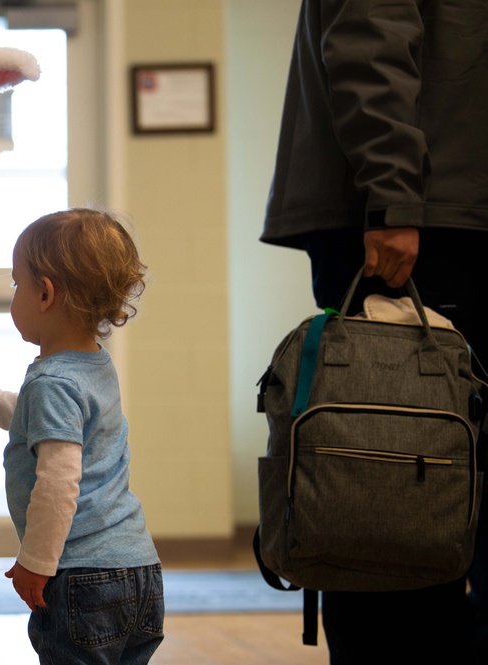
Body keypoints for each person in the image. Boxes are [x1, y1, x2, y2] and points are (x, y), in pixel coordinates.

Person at [260, 1, 488, 662]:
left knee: (430, 482)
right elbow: (371, 29)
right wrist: (392, 195)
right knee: (389, 493)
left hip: (439, 210)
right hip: (419, 219)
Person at [0, 208, 164, 664]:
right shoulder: (94, 366)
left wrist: (36, 561)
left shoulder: (51, 382)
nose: (13, 294)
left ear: (45, 294)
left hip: (82, 577)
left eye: (17, 283)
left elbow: (58, 480)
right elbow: (47, 423)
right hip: (139, 571)